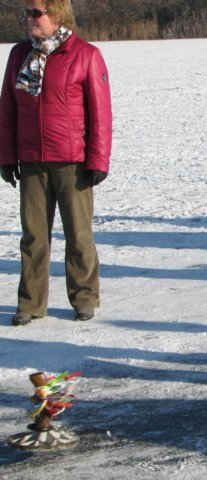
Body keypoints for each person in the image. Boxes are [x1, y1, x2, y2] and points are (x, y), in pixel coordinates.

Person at [0, 0, 112, 326]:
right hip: (32, 161)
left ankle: (84, 298)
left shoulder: (85, 55)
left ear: (58, 14)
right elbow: (7, 109)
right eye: (28, 13)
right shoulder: (20, 55)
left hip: (72, 162)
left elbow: (100, 114)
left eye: (37, 13)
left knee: (78, 235)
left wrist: (98, 160)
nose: (30, 19)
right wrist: (7, 157)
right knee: (33, 237)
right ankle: (31, 303)